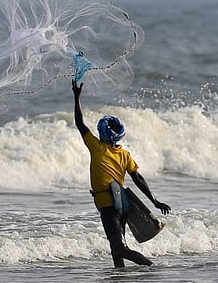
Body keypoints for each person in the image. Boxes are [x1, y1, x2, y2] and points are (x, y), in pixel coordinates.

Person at [72, 79, 171, 268]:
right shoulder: (124, 154)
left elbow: (79, 123)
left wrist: (77, 97)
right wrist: (155, 201)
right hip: (121, 206)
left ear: (102, 133)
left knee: (121, 248)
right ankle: (119, 277)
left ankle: (152, 268)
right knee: (116, 249)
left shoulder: (97, 147)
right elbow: (138, 178)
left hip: (110, 208)